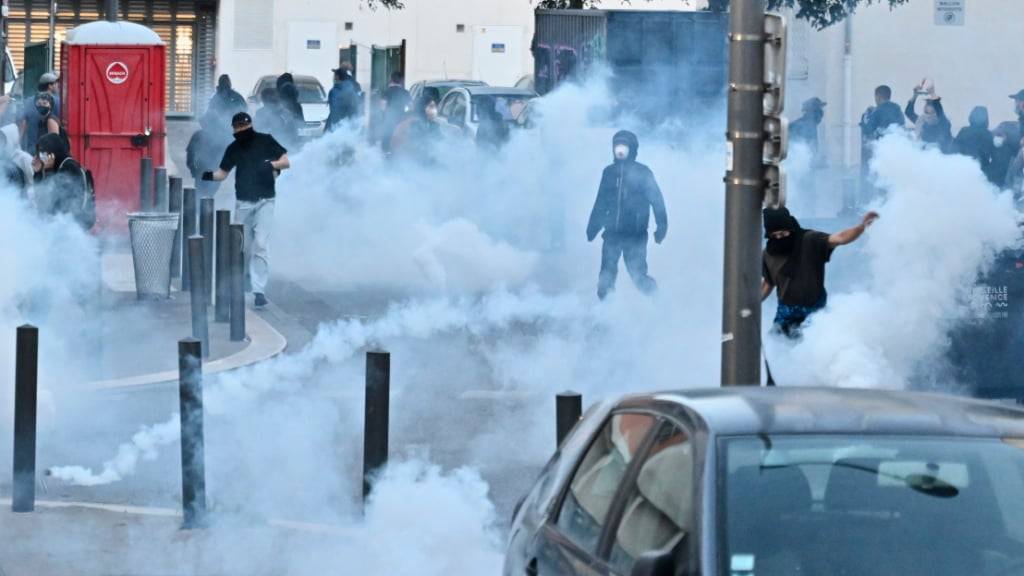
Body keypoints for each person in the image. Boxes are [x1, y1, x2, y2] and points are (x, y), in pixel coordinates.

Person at [202, 112, 289, 310]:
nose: (241, 129)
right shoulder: (233, 148)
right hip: (243, 202)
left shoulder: (266, 141)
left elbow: (286, 161)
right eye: (238, 126)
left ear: (250, 125)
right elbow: (222, 174)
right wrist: (205, 176)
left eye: (244, 125)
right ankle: (241, 280)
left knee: (260, 244)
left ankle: (259, 291)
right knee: (242, 246)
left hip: (266, 200)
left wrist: (270, 165)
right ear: (233, 128)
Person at [761, 207, 878, 338]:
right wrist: (749, 304)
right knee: (775, 343)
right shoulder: (768, 254)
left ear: (790, 228)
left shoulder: (810, 240)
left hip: (814, 309)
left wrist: (861, 227)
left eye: (783, 234)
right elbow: (768, 283)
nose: (779, 238)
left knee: (814, 346)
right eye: (774, 236)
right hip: (786, 311)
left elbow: (840, 238)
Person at [586, 130, 668, 300]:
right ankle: (605, 312)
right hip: (612, 235)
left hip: (635, 236)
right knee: (606, 277)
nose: (620, 150)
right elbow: (601, 201)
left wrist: (662, 226)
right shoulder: (608, 172)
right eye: (617, 146)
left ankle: (659, 303)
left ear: (633, 149)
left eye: (624, 146)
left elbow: (657, 199)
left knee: (638, 276)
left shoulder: (643, 172)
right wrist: (593, 226)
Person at [32, 133, 94, 229]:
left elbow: (55, 202)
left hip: (75, 225)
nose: (41, 156)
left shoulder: (69, 167)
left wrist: (48, 171)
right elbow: (40, 201)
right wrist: (38, 173)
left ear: (53, 152)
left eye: (43, 152)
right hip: (62, 224)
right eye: (39, 153)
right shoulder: (56, 167)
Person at [186, 111, 230, 199]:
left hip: (204, 171)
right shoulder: (219, 137)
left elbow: (190, 156)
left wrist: (193, 170)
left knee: (202, 195)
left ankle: (201, 210)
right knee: (206, 196)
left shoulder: (198, 135)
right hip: (207, 171)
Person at [390, 93, 443, 163]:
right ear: (423, 108)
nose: (435, 110)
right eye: (431, 107)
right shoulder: (412, 125)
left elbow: (439, 143)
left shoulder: (433, 124)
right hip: (409, 164)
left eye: (435, 107)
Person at [905, 82, 952, 152]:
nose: (926, 106)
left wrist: (933, 95)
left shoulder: (943, 122)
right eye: (926, 105)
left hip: (939, 154)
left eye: (929, 105)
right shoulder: (922, 121)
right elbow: (909, 112)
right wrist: (915, 95)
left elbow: (939, 111)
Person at [953, 106, 995, 178]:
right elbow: (993, 155)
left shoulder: (964, 131)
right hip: (982, 171)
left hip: (962, 168)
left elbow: (954, 149)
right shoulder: (989, 135)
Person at [0, 123, 36, 201]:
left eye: (4, 139)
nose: (1, 142)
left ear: (11, 138)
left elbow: (33, 181)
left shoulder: (24, 158)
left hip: (23, 198)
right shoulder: (3, 157)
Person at [377, 72, 411, 151]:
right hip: (402, 121)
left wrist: (383, 116)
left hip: (388, 121)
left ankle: (386, 157)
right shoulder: (405, 92)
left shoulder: (386, 92)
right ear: (402, 81)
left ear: (391, 80)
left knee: (386, 142)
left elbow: (382, 107)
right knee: (400, 145)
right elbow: (411, 107)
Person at [325, 63, 363, 132]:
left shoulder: (335, 91)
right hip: (351, 125)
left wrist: (331, 129)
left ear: (338, 77)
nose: (333, 77)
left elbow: (335, 111)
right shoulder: (354, 86)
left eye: (335, 75)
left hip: (338, 127)